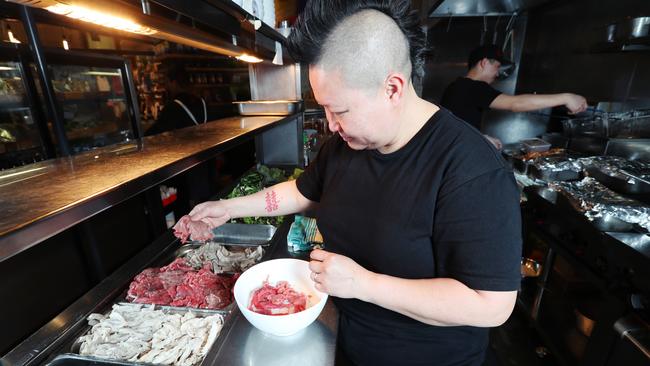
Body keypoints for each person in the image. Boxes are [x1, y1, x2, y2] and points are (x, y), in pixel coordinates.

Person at [185, 1, 521, 365]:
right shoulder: (344, 147)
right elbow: (303, 192)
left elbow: (491, 304)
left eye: (339, 110)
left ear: (392, 88)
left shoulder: (471, 170)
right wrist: (227, 209)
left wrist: (365, 284)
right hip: (346, 343)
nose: (330, 124)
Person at [440, 44, 588, 149]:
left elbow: (456, 125)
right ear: (484, 63)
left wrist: (480, 138)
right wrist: (566, 97)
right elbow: (516, 104)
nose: (497, 73)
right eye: (497, 67)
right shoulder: (473, 87)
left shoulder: (458, 86)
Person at [145, 64, 208, 136]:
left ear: (174, 83)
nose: (166, 86)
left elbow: (152, 132)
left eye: (167, 82)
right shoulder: (201, 102)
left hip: (187, 146)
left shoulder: (173, 107)